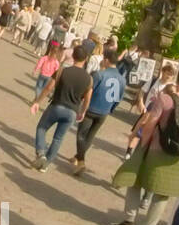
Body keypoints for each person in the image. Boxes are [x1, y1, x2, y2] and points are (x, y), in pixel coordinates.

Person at [109, 63, 179, 225]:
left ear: (177, 80)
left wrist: (143, 145)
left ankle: (129, 221)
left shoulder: (165, 99)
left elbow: (150, 124)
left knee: (135, 181)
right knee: (162, 194)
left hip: (156, 150)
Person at [29, 41, 93, 170]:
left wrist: (37, 101)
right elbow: (87, 99)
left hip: (57, 105)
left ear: (73, 55)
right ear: (85, 59)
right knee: (58, 139)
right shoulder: (89, 79)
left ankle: (41, 153)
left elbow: (48, 88)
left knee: (41, 128)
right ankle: (45, 165)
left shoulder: (62, 71)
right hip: (72, 112)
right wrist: (83, 111)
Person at [69, 49, 128, 175]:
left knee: (81, 134)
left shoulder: (99, 74)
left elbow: (88, 91)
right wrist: (111, 109)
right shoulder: (122, 80)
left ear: (106, 60)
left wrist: (81, 105)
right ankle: (78, 156)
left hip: (91, 108)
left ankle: (81, 161)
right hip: (105, 111)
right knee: (90, 136)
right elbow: (119, 98)